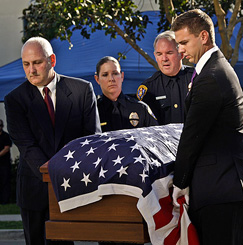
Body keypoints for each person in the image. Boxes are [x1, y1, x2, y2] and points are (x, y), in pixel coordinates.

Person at [170, 9, 243, 245]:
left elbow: (192, 135)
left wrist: (179, 183)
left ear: (204, 37)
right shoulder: (215, 70)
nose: (180, 50)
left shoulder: (211, 76)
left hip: (221, 190)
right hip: (225, 187)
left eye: (184, 42)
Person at [4, 37, 101, 245]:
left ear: (52, 60)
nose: (31, 70)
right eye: (26, 64)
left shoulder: (82, 91)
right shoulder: (15, 100)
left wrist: (69, 176)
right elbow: (27, 146)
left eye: (37, 62)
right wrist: (54, 176)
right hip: (34, 189)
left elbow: (90, 139)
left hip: (70, 187)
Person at [136, 30, 194, 125]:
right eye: (159, 54)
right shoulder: (149, 88)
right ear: (155, 56)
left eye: (169, 53)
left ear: (181, 54)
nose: (164, 59)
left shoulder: (197, 78)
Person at [95, 56, 158, 132]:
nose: (111, 79)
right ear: (97, 79)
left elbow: (156, 138)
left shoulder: (140, 108)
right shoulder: (93, 113)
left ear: (122, 76)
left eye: (115, 73)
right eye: (105, 75)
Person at [0, 119, 12, 205]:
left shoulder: (5, 136)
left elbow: (6, 148)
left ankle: (5, 200)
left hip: (4, 164)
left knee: (5, 182)